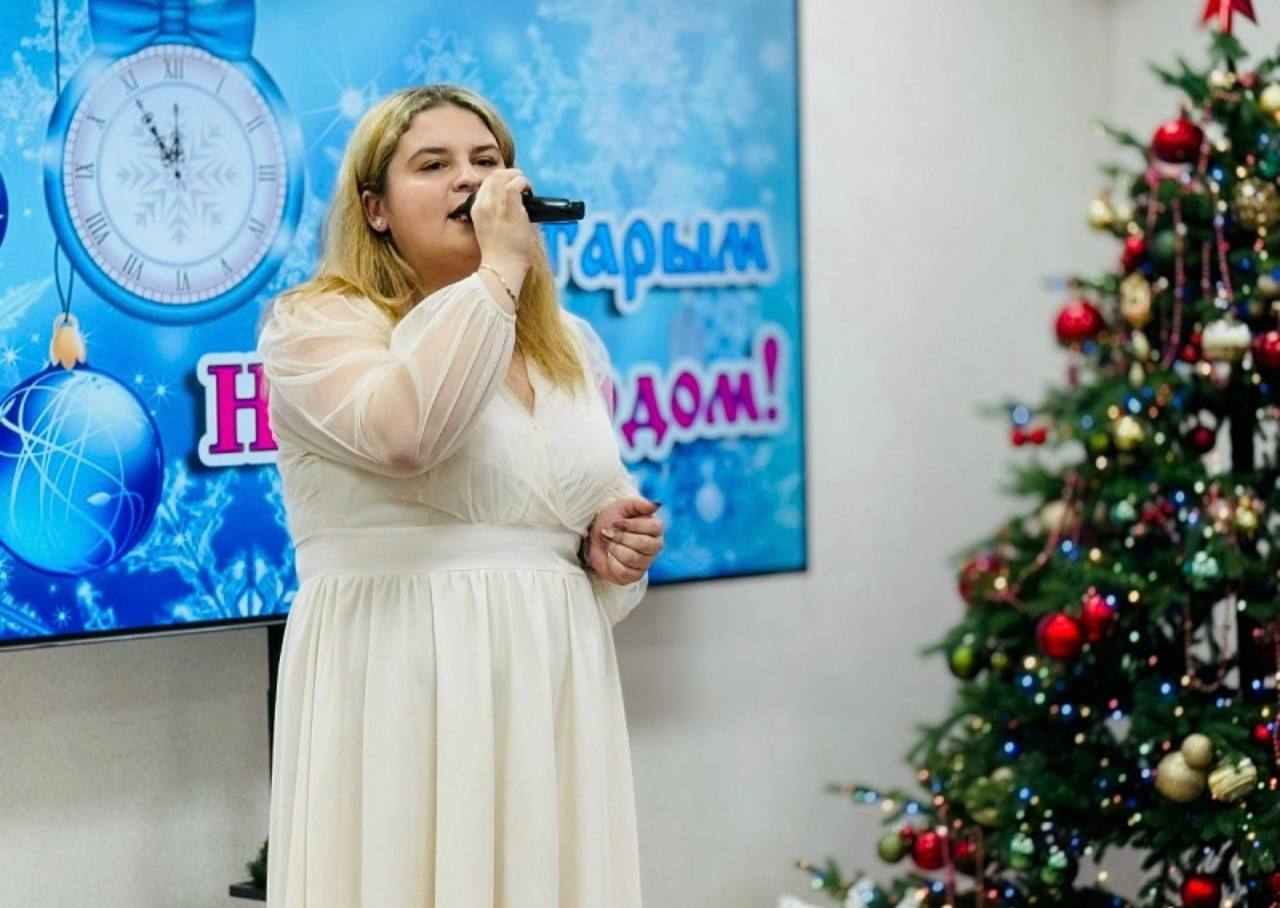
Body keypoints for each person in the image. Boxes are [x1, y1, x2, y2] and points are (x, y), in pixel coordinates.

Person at [255, 83, 664, 908]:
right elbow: (408, 433)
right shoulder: (315, 327)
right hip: (403, 674)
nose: (469, 182)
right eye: (434, 165)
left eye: (486, 161)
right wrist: (501, 270)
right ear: (375, 208)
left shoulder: (565, 344)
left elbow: (579, 508)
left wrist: (610, 547)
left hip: (550, 680)